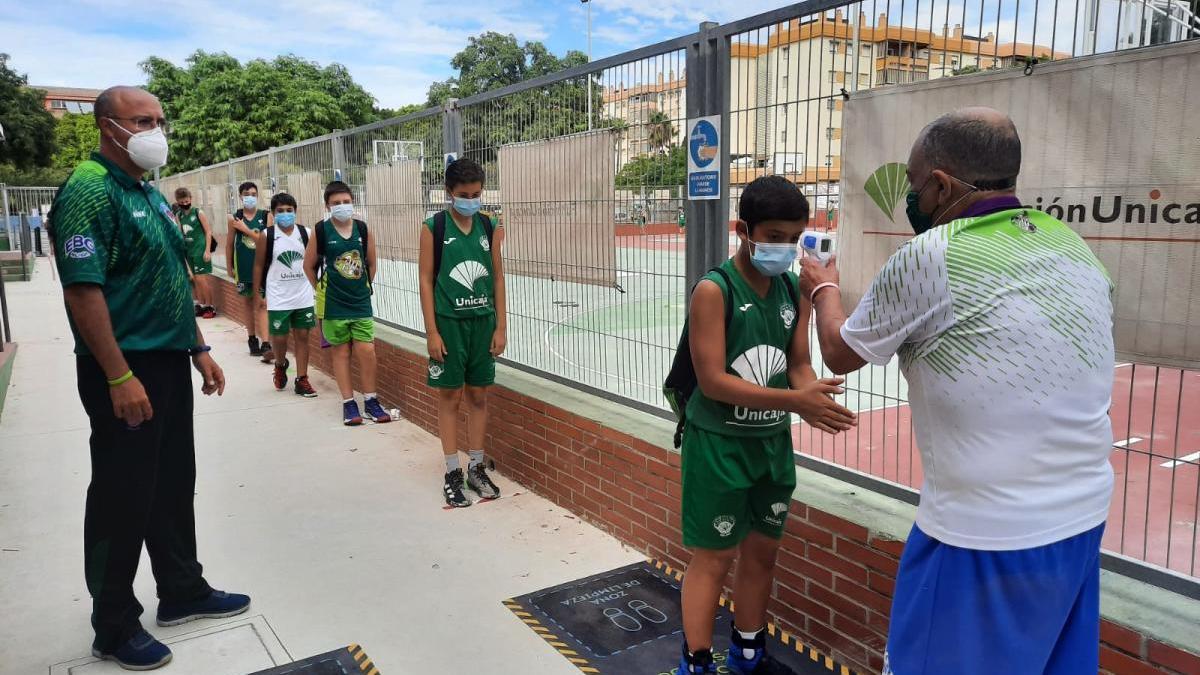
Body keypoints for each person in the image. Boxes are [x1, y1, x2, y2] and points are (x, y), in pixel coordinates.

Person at [799, 108, 1115, 675]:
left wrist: (823, 288)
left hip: (982, 537)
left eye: (914, 186)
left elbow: (841, 353)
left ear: (940, 185)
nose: (912, 200)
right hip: (1082, 518)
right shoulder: (1073, 245)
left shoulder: (931, 255)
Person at [48, 85, 249, 671]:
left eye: (159, 119)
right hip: (124, 366)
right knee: (122, 494)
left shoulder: (148, 191)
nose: (155, 130)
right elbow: (83, 291)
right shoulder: (89, 190)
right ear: (108, 126)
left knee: (170, 482)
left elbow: (171, 279)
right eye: (142, 120)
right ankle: (112, 624)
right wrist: (117, 375)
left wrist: (199, 349)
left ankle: (182, 589)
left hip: (166, 360)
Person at [678, 176, 857, 675]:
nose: (783, 247)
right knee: (713, 559)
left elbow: (796, 359)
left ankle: (748, 652)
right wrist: (796, 401)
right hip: (720, 445)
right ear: (743, 230)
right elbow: (712, 381)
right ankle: (696, 663)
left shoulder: (791, 289)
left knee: (762, 555)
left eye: (793, 237)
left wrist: (811, 392)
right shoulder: (714, 291)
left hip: (771, 443)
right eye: (774, 235)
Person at [419, 158, 506, 507]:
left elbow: (498, 277)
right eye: (463, 194)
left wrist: (501, 325)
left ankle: (475, 465)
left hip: (482, 323)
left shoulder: (490, 226)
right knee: (450, 397)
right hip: (449, 324)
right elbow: (425, 279)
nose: (471, 200)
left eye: (476, 194)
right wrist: (431, 332)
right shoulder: (434, 227)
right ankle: (452, 470)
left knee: (479, 396)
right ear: (449, 194)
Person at [303, 180, 391, 426]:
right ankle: (348, 404)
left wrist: (364, 286)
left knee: (367, 351)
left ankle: (371, 400)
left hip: (360, 303)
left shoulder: (363, 229)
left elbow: (371, 263)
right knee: (341, 353)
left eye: (346, 201)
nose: (342, 206)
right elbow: (308, 266)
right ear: (327, 206)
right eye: (336, 203)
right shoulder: (321, 230)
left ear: (353, 201)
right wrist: (320, 289)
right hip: (333, 305)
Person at [253, 192, 317, 397]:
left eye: (289, 210)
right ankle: (280, 365)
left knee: (303, 335)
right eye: (280, 211)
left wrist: (317, 286)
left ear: (295, 211)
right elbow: (258, 265)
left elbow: (313, 262)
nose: (285, 214)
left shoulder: (306, 233)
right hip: (278, 295)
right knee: (279, 338)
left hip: (303, 293)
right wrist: (258, 293)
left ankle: (302, 379)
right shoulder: (267, 235)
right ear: (273, 213)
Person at [227, 181, 271, 360]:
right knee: (247, 303)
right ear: (240, 196)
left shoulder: (266, 216)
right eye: (246, 194)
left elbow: (266, 241)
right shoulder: (234, 218)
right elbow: (229, 244)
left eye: (253, 194)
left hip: (261, 268)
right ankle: (252, 339)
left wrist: (245, 229)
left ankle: (266, 343)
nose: (250, 197)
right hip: (243, 268)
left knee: (262, 304)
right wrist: (229, 267)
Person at [173, 187, 216, 319]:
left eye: (187, 201)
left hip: (200, 250)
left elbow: (208, 231)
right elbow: (180, 233)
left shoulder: (198, 212)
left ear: (191, 199)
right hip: (188, 251)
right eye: (182, 202)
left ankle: (210, 307)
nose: (185, 204)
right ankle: (201, 304)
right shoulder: (179, 215)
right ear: (177, 202)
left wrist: (207, 250)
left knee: (202, 279)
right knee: (194, 280)